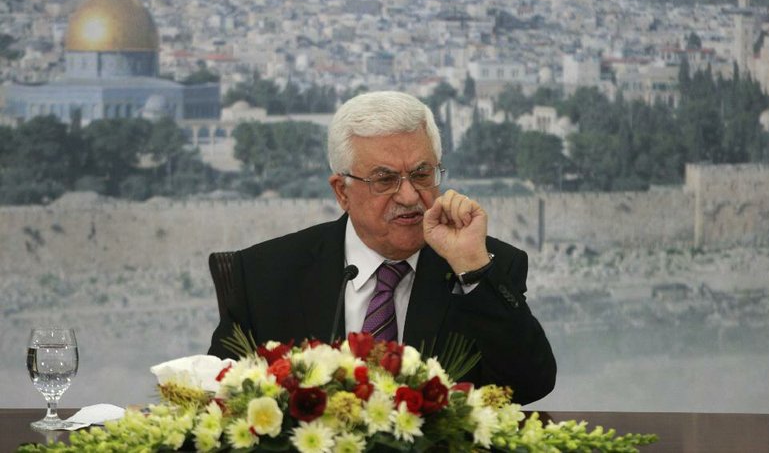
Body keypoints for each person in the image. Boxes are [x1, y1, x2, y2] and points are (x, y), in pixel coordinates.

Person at [209, 91, 556, 403]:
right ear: (342, 192)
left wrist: (474, 269)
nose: (408, 197)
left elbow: (529, 385)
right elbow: (220, 395)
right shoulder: (265, 275)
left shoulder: (482, 265)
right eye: (385, 180)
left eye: (422, 175)